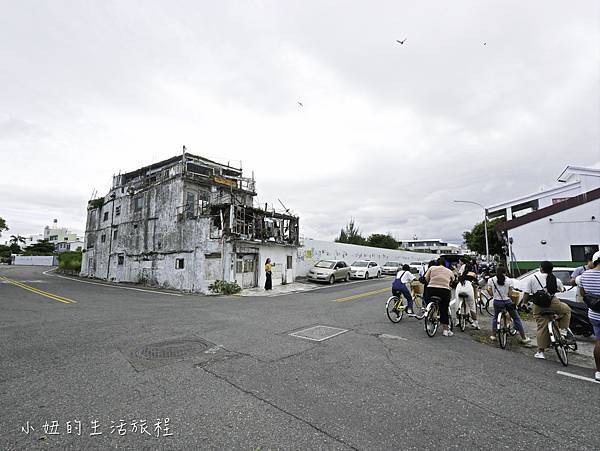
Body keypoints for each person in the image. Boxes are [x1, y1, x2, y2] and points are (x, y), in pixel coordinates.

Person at [522, 261, 571, 359]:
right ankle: (563, 330)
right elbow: (562, 290)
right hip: (553, 304)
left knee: (542, 326)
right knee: (566, 310)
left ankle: (540, 352)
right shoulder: (555, 279)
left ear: (541, 268)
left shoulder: (532, 278)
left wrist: (524, 303)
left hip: (539, 306)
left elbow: (526, 294)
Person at [487, 266, 530, 343]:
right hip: (507, 302)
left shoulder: (491, 280)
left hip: (496, 302)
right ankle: (524, 338)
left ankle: (493, 335)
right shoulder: (509, 280)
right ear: (505, 273)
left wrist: (495, 295)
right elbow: (510, 294)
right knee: (516, 318)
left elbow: (490, 292)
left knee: (495, 318)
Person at [579, 250, 600, 382]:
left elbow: (582, 293)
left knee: (598, 341)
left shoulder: (585, 275)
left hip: (594, 314)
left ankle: (598, 371)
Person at [425, 257, 455, 337]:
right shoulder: (449, 271)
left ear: (437, 263)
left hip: (431, 289)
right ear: (445, 264)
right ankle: (445, 330)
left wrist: (432, 282)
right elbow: (453, 280)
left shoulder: (432, 268)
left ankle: (429, 316)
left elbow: (426, 278)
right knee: (444, 309)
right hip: (444, 291)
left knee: (429, 304)